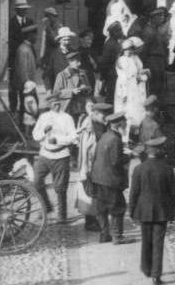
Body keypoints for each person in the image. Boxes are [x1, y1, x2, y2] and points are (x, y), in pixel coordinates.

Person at [128, 135, 175, 285]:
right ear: (161, 151)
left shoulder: (139, 169)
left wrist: (131, 211)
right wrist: (174, 211)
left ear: (148, 152)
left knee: (146, 240)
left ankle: (146, 268)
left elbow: (134, 193)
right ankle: (156, 276)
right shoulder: (167, 169)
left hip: (143, 211)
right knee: (158, 243)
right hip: (162, 212)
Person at [31, 91, 77, 224]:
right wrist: (44, 131)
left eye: (58, 104)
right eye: (54, 104)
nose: (57, 106)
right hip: (45, 154)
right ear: (49, 105)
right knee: (37, 181)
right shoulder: (44, 117)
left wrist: (57, 140)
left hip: (61, 155)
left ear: (61, 103)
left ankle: (62, 217)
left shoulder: (67, 117)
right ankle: (46, 206)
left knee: (60, 187)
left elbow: (73, 137)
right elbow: (35, 135)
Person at [88, 110, 129, 243]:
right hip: (110, 180)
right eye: (124, 122)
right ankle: (118, 237)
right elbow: (115, 161)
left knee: (102, 208)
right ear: (118, 124)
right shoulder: (115, 139)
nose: (126, 123)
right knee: (118, 207)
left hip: (98, 178)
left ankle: (104, 235)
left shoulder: (105, 135)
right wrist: (129, 156)